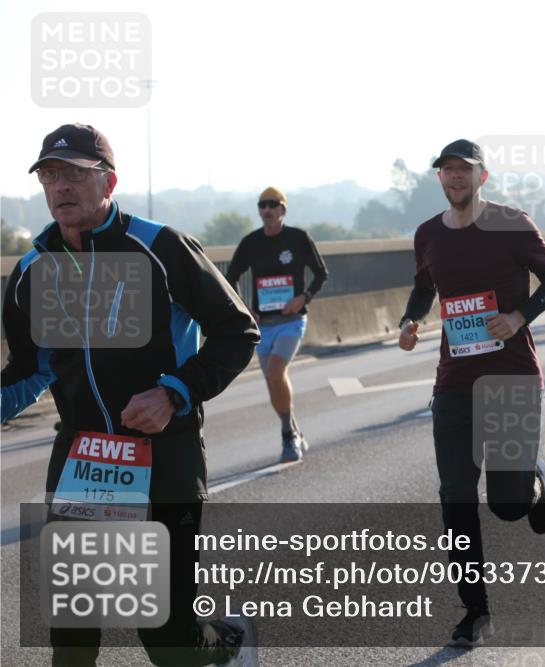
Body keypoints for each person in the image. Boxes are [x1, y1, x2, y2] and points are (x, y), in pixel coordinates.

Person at [2, 124, 261, 666]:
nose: (61, 186)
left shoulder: (160, 247)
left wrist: (174, 392)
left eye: (76, 173)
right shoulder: (33, 270)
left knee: (164, 634)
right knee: (72, 630)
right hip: (85, 456)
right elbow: (31, 370)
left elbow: (237, 330)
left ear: (109, 182)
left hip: (165, 453)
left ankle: (225, 643)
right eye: (50, 175)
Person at [397, 139, 545, 647]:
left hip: (511, 378)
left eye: (463, 170)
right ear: (440, 179)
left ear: (482, 177)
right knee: (455, 497)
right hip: (454, 384)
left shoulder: (511, 224)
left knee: (509, 506)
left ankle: (531, 479)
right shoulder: (428, 234)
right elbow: (425, 285)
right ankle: (476, 612)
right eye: (446, 171)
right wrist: (410, 320)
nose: (454, 178)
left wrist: (518, 317)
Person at [225, 186, 328, 463]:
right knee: (273, 381)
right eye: (262, 205)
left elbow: (321, 274)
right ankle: (294, 430)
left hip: (292, 321)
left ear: (283, 209)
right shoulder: (251, 243)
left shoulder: (298, 238)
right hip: (263, 325)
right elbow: (230, 276)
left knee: (274, 371)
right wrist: (245, 308)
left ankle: (286, 435)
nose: (267, 210)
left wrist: (303, 297)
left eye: (273, 205)